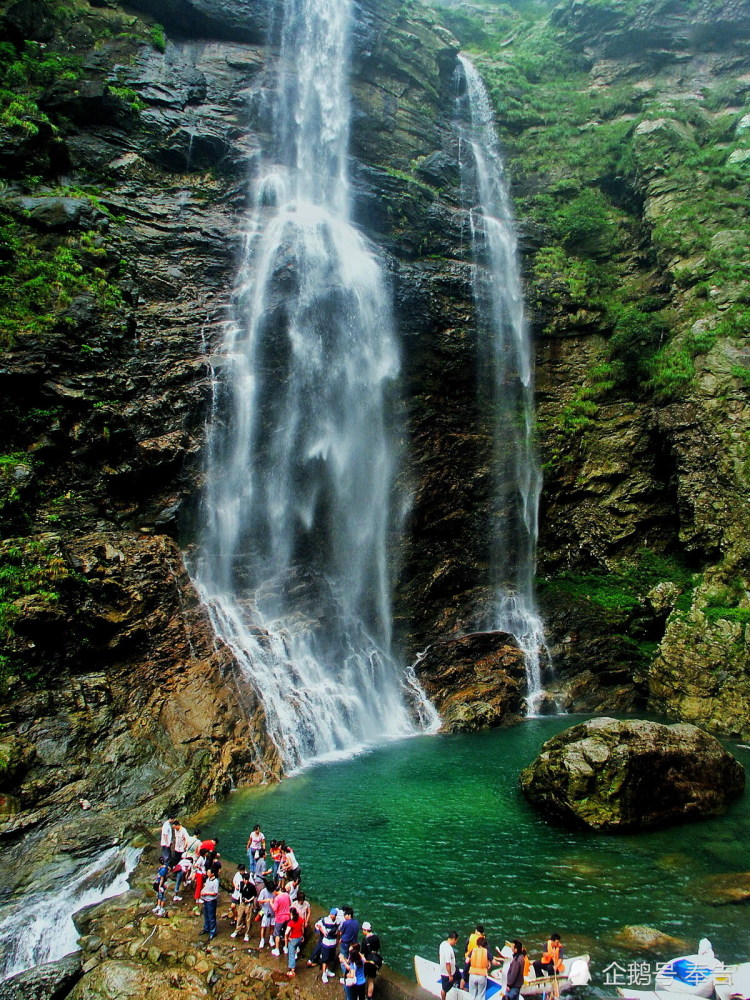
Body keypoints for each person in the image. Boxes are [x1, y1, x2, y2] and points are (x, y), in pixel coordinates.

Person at [315, 908, 340, 983]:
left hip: (333, 942)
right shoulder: (325, 920)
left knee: (330, 958)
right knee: (325, 959)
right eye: (332, 915)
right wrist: (322, 930)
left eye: (334, 915)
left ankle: (327, 970)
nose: (332, 916)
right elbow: (317, 925)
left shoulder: (337, 921)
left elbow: (338, 930)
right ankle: (324, 974)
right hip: (326, 943)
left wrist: (337, 940)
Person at [232, 871, 256, 942]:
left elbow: (254, 895)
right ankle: (237, 930)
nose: (246, 881)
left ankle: (247, 934)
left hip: (249, 903)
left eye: (247, 879)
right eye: (245, 879)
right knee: (239, 916)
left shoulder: (252, 886)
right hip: (242, 902)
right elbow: (240, 893)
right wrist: (240, 902)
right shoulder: (241, 884)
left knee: (248, 918)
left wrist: (249, 900)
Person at [467, 935, 492, 1000]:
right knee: (480, 995)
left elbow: (467, 961)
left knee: (472, 995)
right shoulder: (486, 951)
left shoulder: (473, 950)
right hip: (482, 976)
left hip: (472, 974)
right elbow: (494, 961)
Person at [362, 921, 383, 998]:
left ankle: (362, 995)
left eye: (363, 930)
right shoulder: (376, 937)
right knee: (371, 980)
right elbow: (378, 949)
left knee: (363, 979)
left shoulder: (365, 940)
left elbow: (362, 954)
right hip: (374, 961)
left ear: (365, 930)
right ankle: (369, 996)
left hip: (367, 961)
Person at [270, 884, 292, 956]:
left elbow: (274, 909)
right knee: (286, 933)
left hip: (280, 918)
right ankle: (286, 947)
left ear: (275, 891)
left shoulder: (277, 898)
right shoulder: (286, 895)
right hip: (287, 917)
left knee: (277, 934)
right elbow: (290, 904)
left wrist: (271, 903)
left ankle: (277, 949)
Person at [199, 868, 220, 941]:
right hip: (206, 899)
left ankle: (212, 932)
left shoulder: (215, 881)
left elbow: (215, 892)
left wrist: (206, 893)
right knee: (206, 914)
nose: (207, 873)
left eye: (208, 872)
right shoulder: (208, 879)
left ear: (213, 874)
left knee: (211, 916)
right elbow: (206, 886)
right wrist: (202, 891)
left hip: (211, 901)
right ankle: (206, 928)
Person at [439, 931, 461, 1000]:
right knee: (444, 989)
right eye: (456, 941)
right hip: (447, 973)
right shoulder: (448, 949)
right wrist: (450, 975)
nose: (456, 943)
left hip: (454, 969)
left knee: (458, 973)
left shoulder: (442, 944)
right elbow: (447, 963)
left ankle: (458, 984)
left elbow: (439, 955)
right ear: (454, 939)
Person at [285, 905, 306, 977]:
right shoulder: (300, 919)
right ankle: (297, 951)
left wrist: (287, 938)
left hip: (293, 939)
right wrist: (302, 936)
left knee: (291, 954)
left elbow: (286, 933)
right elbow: (302, 929)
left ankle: (292, 970)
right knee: (296, 947)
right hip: (300, 938)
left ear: (291, 914)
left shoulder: (291, 923)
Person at [257, 878, 275, 949]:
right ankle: (262, 940)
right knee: (263, 927)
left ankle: (271, 938)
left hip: (273, 912)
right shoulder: (263, 891)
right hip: (266, 911)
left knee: (272, 926)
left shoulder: (274, 891)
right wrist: (266, 900)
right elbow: (259, 901)